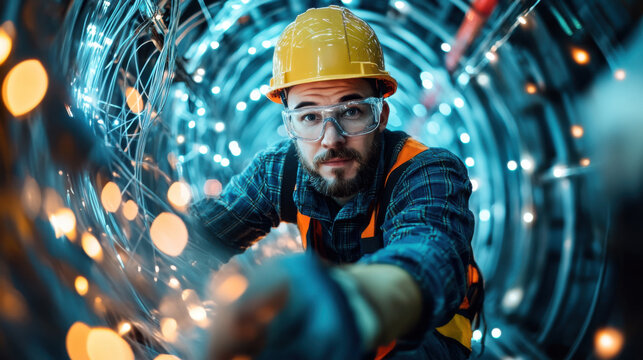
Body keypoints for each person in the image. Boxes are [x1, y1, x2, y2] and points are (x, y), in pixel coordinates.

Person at [192, 5, 483, 360]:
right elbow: (202, 236)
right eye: (310, 116)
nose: (332, 139)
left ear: (382, 115)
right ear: (290, 126)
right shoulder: (279, 171)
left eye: (352, 111)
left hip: (426, 337)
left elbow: (430, 253)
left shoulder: (427, 171)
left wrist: (354, 303)